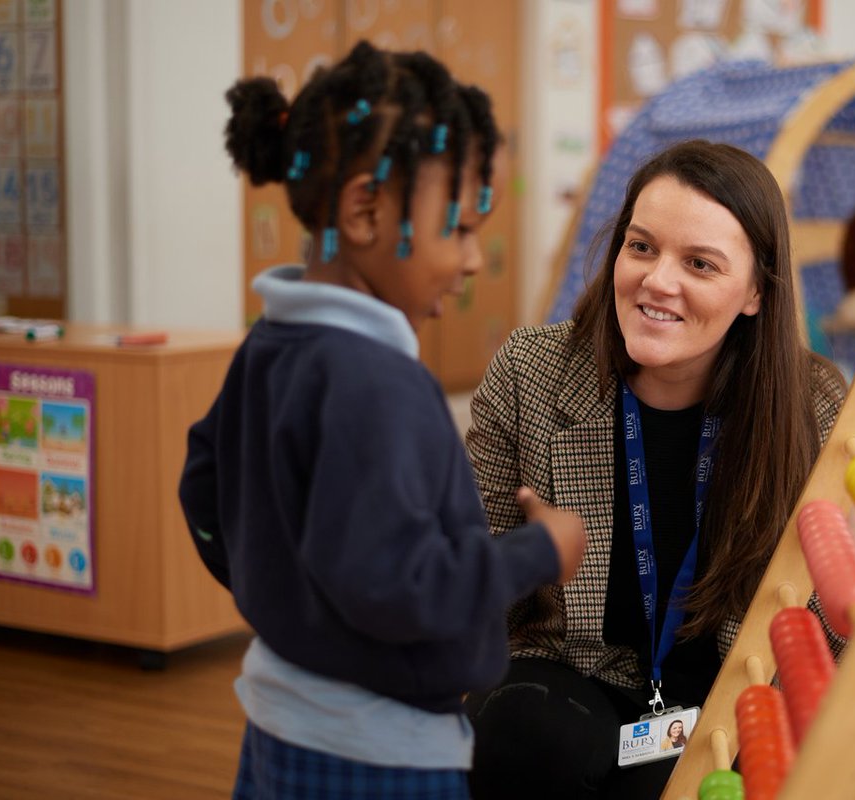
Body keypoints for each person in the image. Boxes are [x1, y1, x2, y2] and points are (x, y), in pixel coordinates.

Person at [178, 41, 586, 800]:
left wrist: (287, 598)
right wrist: (539, 552)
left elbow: (204, 490)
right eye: (457, 229)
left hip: (279, 717)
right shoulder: (377, 384)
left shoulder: (271, 344)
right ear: (366, 211)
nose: (471, 260)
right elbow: (402, 585)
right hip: (378, 757)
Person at [463, 139, 855, 799]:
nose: (657, 280)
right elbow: (472, 607)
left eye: (700, 263)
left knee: (679, 779)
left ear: (755, 291)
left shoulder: (813, 407)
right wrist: (526, 558)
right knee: (525, 735)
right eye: (641, 247)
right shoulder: (528, 372)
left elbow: (818, 650)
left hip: (719, 703)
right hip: (569, 680)